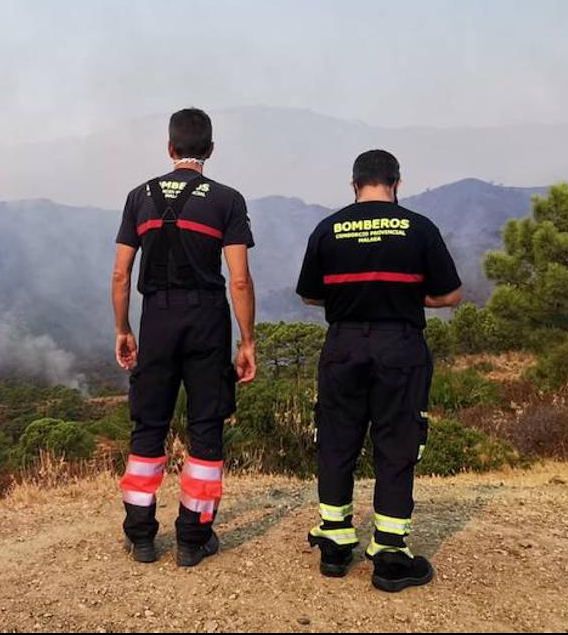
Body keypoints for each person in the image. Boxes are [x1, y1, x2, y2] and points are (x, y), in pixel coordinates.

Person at [296, 149, 463, 592]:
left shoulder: (328, 229)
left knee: (336, 441)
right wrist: (410, 297)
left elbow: (310, 296)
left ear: (354, 185)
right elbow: (451, 296)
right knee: (396, 442)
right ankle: (389, 555)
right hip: (400, 346)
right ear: (396, 183)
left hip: (344, 345)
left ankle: (334, 545)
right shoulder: (419, 228)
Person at [111, 108, 257, 567]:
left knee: (149, 425)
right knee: (205, 426)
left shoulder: (140, 196)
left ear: (170, 148)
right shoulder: (227, 199)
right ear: (209, 151)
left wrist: (123, 328)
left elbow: (120, 274)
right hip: (208, 320)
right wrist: (247, 341)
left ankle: (141, 537)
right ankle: (193, 540)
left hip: (156, 317)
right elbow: (239, 280)